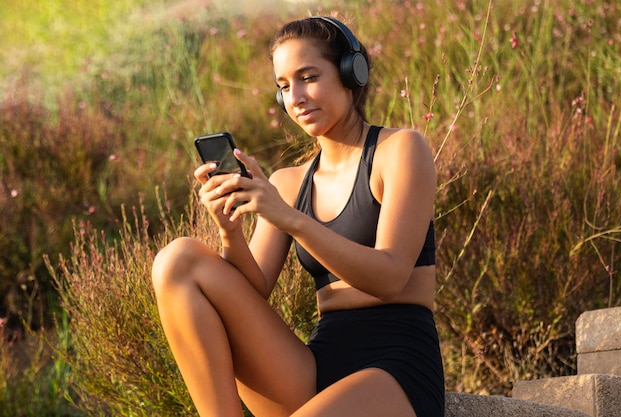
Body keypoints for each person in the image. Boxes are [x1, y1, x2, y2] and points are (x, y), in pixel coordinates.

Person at [152, 15, 444, 417]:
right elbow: (250, 298)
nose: (296, 98)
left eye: (308, 77)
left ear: (350, 73)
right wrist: (230, 232)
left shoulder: (399, 150)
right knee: (178, 261)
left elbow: (390, 278)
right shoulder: (289, 182)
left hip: (394, 365)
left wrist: (289, 218)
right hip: (314, 365)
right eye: (284, 87)